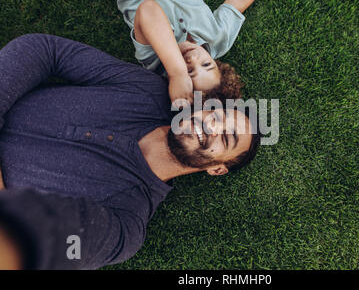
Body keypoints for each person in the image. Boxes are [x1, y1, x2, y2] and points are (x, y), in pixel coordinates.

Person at [0, 34, 261, 269]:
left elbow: (31, 241)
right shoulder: (146, 90)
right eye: (216, 113)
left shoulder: (125, 223)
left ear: (216, 169)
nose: (211, 124)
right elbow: (47, 51)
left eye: (226, 137)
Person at [91, 0, 285, 104]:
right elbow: (236, 4)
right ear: (217, 64)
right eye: (206, 65)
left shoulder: (154, 59)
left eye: (189, 71)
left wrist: (177, 73)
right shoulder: (217, 38)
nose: (193, 60)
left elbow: (148, 9)